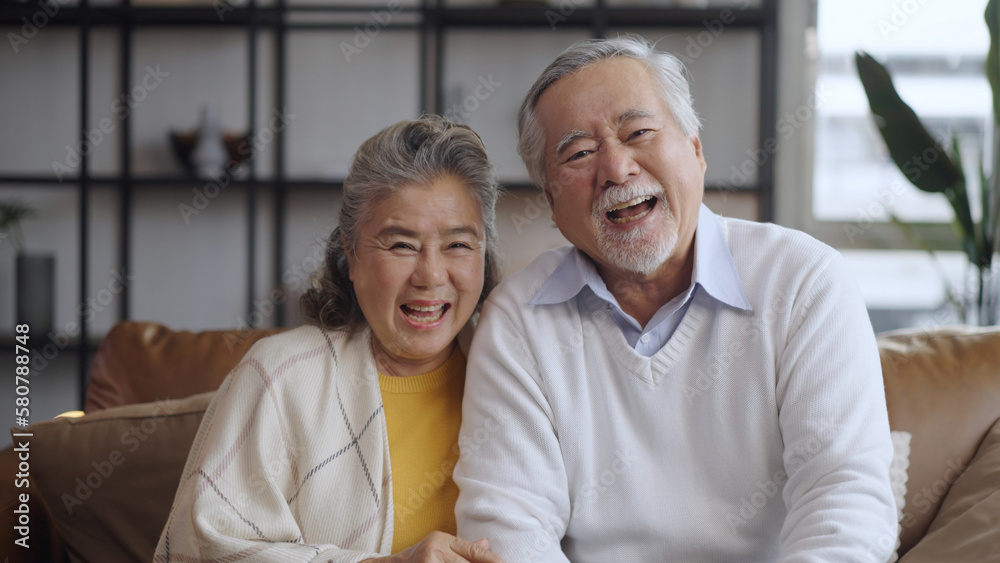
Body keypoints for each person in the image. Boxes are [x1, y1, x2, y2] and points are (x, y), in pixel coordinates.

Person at [453, 36, 898, 562]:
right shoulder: (517, 321)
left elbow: (845, 504)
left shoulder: (805, 283)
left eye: (638, 131)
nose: (616, 169)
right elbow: (507, 529)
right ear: (551, 201)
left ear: (695, 149)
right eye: (579, 153)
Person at [155, 115, 506, 563]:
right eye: (401, 245)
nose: (431, 276)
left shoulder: (519, 373)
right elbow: (205, 549)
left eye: (458, 245)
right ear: (351, 255)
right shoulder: (279, 375)